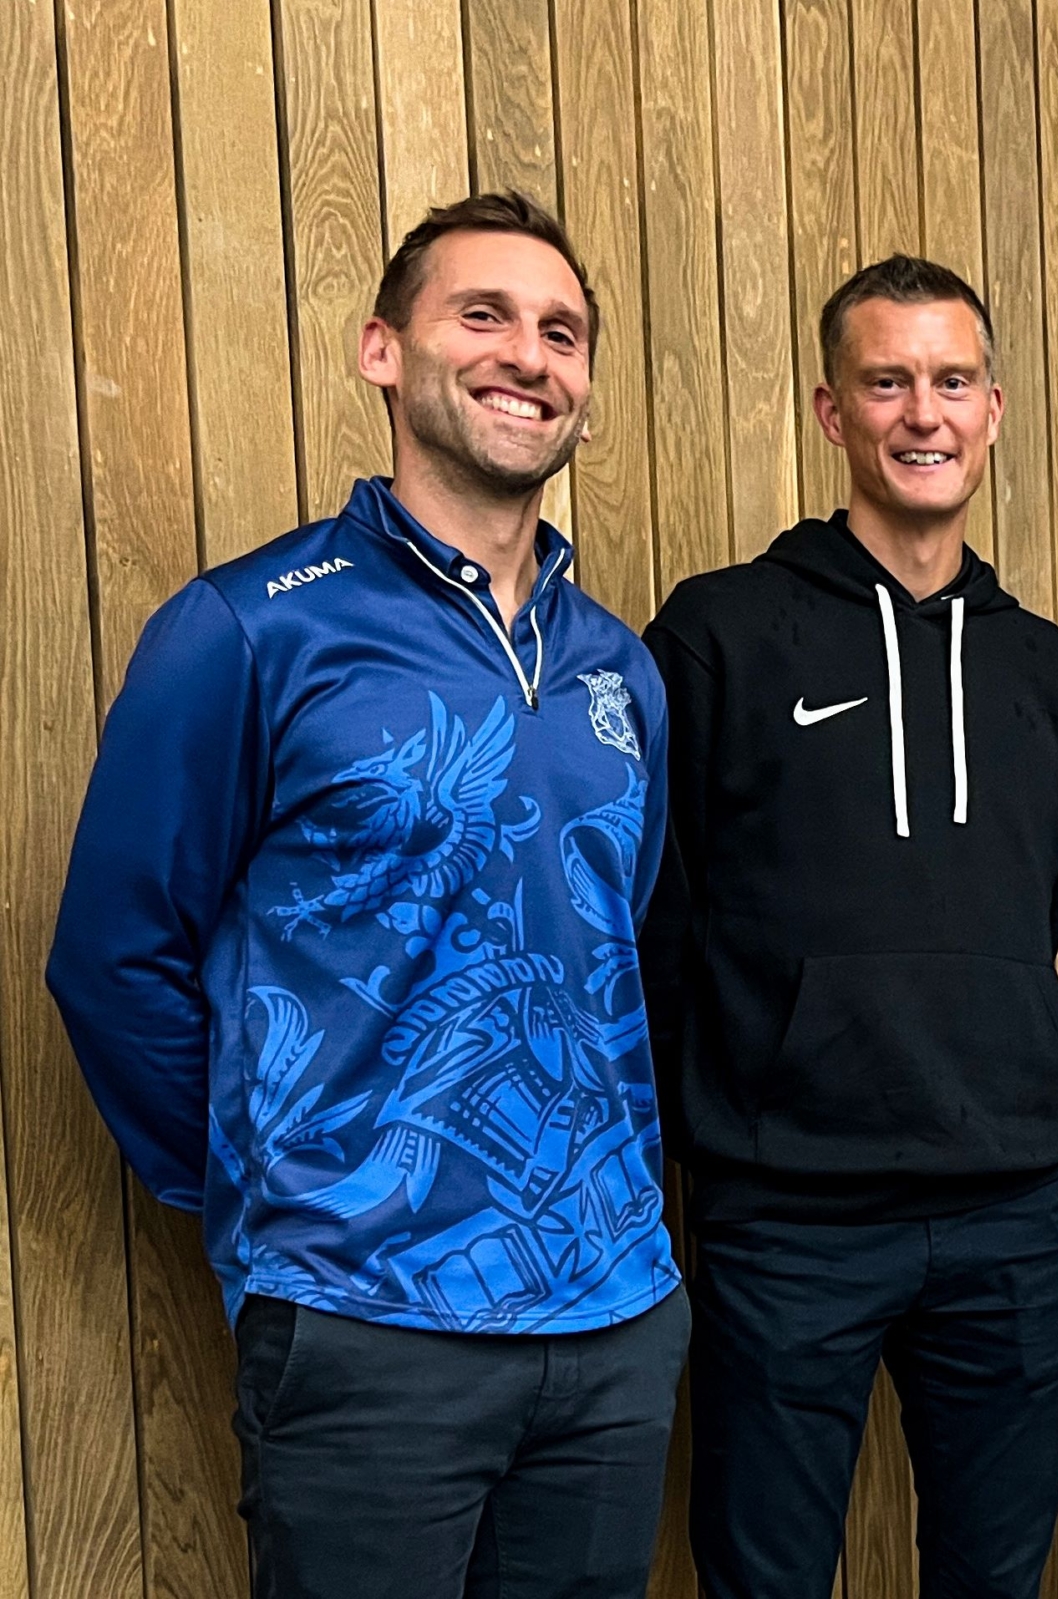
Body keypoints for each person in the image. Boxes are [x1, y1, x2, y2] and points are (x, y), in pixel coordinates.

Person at [47, 192, 686, 1598]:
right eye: (485, 314)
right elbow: (112, 954)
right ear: (381, 351)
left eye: (562, 331)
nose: (531, 353)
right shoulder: (254, 626)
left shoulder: (616, 670)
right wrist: (272, 1190)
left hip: (611, 1320)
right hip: (364, 1318)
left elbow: (617, 952)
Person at [639, 254, 1058, 1599]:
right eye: (887, 380)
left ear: (994, 407)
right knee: (765, 1577)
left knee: (994, 1575)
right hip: (786, 1216)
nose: (924, 413)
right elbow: (659, 925)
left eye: (952, 380)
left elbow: (1037, 905)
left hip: (1012, 1208)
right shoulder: (719, 635)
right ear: (833, 412)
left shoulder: (1046, 668)